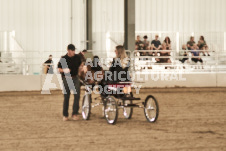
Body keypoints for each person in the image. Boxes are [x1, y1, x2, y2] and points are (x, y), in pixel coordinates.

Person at [57, 44, 82, 121]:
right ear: (68, 50)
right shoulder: (63, 59)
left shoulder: (77, 57)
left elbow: (80, 65)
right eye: (72, 51)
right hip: (66, 78)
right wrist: (64, 70)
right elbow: (59, 69)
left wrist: (82, 68)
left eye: (74, 51)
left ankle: (75, 113)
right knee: (66, 96)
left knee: (77, 96)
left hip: (75, 78)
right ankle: (65, 115)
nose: (73, 52)